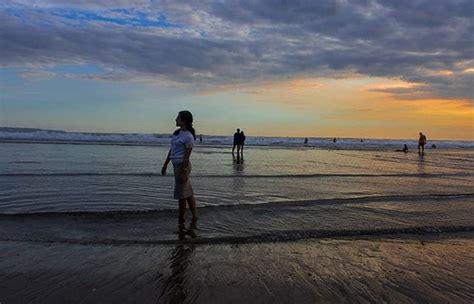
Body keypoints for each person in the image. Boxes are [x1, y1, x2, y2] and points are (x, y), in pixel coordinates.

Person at [162, 110, 198, 231]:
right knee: (188, 194)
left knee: (181, 195)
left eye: (178, 118)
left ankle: (181, 219)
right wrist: (165, 164)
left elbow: (187, 157)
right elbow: (172, 150)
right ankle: (195, 216)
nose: (175, 119)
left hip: (183, 166)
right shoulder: (177, 133)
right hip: (176, 165)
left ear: (184, 121)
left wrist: (183, 172)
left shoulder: (188, 137)